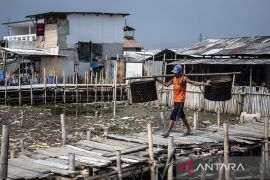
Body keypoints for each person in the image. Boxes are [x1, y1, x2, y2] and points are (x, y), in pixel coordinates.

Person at [155, 64, 211, 137]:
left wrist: (205, 84)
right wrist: (157, 79)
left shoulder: (184, 78)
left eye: (176, 72)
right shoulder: (174, 78)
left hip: (180, 100)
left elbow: (194, 83)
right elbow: (166, 84)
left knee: (173, 116)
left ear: (180, 72)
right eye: (174, 72)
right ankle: (189, 130)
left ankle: (167, 133)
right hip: (175, 100)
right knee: (182, 115)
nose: (174, 73)